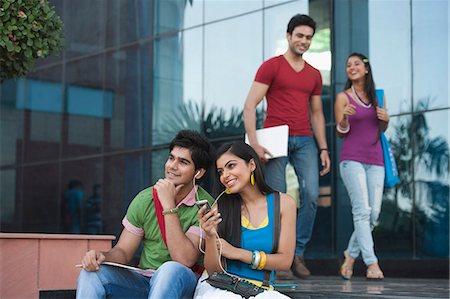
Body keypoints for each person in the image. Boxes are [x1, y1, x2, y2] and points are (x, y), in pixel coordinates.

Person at [76, 130, 216, 298]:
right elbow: (123, 252)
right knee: (91, 274)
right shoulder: (145, 199)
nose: (172, 166)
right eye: (171, 158)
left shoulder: (205, 205)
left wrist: (168, 204)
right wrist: (102, 256)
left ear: (198, 172)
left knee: (169, 269)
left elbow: (184, 259)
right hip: (144, 281)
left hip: (184, 283)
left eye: (183, 162)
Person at [243, 14, 331, 278]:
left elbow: (317, 114)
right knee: (278, 200)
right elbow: (249, 106)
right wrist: (255, 145)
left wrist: (324, 148)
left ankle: (298, 253)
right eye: (300, 36)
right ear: (289, 36)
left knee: (313, 196)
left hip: (305, 140)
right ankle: (280, 257)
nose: (304, 41)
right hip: (274, 140)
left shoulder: (314, 74)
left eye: (308, 38)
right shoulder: (271, 67)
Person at [194, 141, 296, 298]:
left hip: (259, 290)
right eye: (220, 171)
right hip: (220, 288)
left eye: (231, 166)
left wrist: (237, 253)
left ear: (252, 165)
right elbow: (213, 271)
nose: (225, 175)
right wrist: (210, 235)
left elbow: (284, 261)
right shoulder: (219, 207)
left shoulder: (284, 204)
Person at [335, 53, 389, 280]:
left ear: (366, 69)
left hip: (376, 160)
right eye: (348, 65)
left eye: (356, 64)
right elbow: (340, 132)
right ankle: (372, 263)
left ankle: (350, 254)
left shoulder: (378, 96)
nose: (352, 67)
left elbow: (381, 129)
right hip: (352, 160)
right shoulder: (343, 97)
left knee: (373, 214)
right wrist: (345, 119)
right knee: (362, 211)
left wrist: (386, 119)